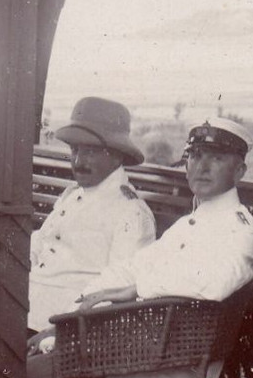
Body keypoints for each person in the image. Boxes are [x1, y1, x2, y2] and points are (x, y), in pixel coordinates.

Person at [27, 117, 253, 378]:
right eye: (196, 156)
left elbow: (216, 282)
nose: (202, 167)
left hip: (166, 376)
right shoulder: (190, 224)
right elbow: (127, 268)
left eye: (217, 158)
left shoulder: (240, 232)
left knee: (28, 376)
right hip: (143, 357)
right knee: (31, 359)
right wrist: (72, 315)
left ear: (239, 171)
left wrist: (136, 288)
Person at [28, 97, 157, 332]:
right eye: (75, 150)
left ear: (117, 156)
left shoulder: (130, 212)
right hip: (22, 302)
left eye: (90, 152)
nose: (78, 161)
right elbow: (41, 240)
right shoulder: (73, 195)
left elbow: (120, 283)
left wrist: (62, 328)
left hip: (51, 324)